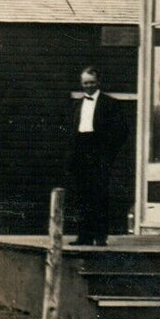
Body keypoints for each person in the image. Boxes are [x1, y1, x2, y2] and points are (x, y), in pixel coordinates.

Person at [67, 66, 128, 246]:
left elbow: (122, 131)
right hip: (80, 152)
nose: (89, 86)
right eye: (85, 83)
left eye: (92, 82)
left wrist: (107, 153)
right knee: (82, 197)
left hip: (99, 154)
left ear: (98, 82)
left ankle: (100, 237)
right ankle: (84, 236)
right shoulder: (76, 105)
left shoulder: (110, 104)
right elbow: (71, 131)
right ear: (81, 84)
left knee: (100, 196)